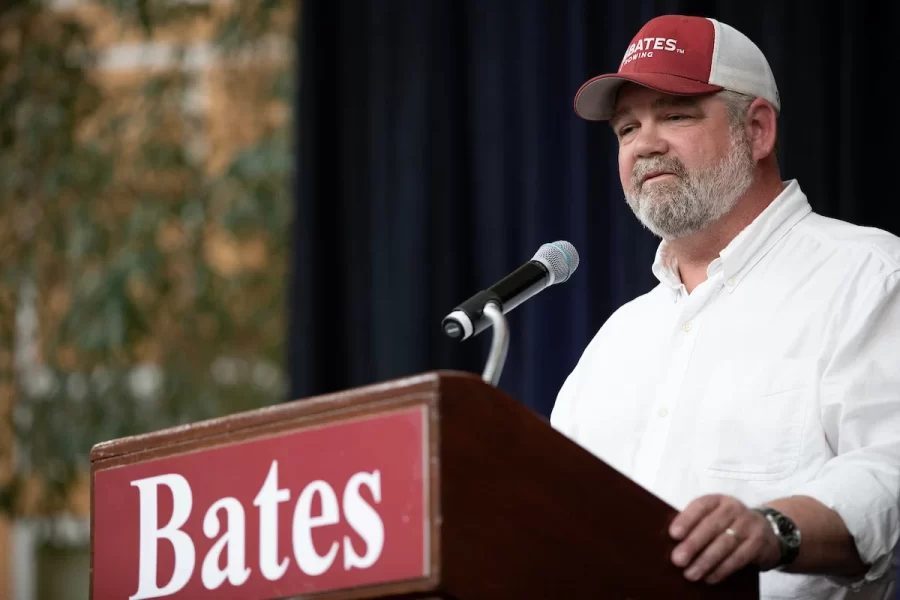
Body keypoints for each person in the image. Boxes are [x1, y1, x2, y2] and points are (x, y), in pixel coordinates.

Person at [550, 14, 900, 600]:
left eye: (675, 114)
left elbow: (890, 467)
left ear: (758, 130)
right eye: (626, 128)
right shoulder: (617, 339)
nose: (645, 144)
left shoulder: (867, 274)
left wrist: (771, 528)